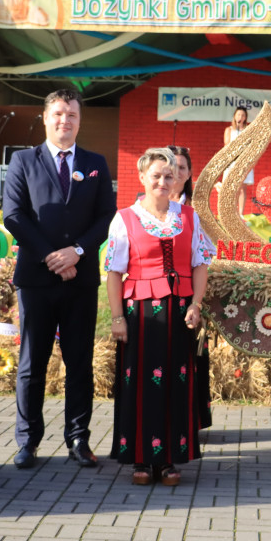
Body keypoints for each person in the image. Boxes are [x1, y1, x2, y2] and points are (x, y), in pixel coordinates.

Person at [3, 88, 117, 469]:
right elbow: (14, 215)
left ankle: (78, 439)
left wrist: (78, 252)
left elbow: (106, 218)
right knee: (32, 364)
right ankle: (27, 441)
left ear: (79, 120)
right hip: (37, 279)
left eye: (71, 114)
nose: (64, 120)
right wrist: (53, 257)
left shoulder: (96, 162)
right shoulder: (23, 160)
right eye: (58, 114)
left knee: (79, 363)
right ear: (46, 117)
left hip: (80, 281)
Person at [104, 148, 214, 485]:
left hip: (180, 312)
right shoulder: (124, 218)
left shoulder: (190, 218)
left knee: (176, 382)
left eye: (169, 175)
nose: (163, 181)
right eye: (156, 176)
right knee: (139, 382)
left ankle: (168, 458)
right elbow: (112, 273)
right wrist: (118, 318)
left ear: (178, 178)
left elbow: (200, 264)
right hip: (140, 313)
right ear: (142, 178)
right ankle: (140, 457)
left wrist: (195, 304)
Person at [168, 144, 212, 429]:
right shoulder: (144, 206)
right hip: (154, 295)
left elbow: (208, 253)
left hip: (191, 294)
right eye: (170, 165)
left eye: (182, 167)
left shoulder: (198, 209)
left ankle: (191, 419)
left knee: (190, 359)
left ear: (189, 173)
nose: (175, 171)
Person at [223, 106, 255, 216]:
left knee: (241, 188)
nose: (240, 117)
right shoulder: (229, 130)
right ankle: (231, 212)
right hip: (232, 162)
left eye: (243, 115)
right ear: (235, 116)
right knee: (231, 188)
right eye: (238, 115)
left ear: (245, 117)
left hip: (244, 161)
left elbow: (251, 145)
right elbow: (227, 145)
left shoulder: (248, 130)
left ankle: (240, 213)